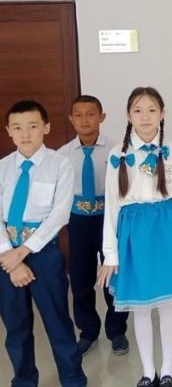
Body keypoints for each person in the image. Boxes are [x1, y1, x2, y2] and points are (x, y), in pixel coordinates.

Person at [98, 87, 172, 387]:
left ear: (163, 113)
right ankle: (148, 372)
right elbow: (111, 205)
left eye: (152, 110)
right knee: (140, 306)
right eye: (138, 110)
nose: (145, 117)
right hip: (132, 234)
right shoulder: (117, 153)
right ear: (128, 115)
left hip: (164, 228)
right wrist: (110, 253)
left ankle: (167, 370)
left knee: (166, 304)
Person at [0, 100, 87, 387]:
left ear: (46, 128)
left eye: (32, 126)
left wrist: (23, 252)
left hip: (43, 254)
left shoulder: (60, 165)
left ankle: (73, 379)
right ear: (9, 131)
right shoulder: (2, 168)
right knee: (16, 326)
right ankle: (24, 380)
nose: (25, 134)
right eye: (17, 128)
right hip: (6, 257)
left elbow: (59, 214)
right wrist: (10, 257)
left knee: (57, 320)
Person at [58, 95, 129, 355]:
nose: (84, 120)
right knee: (81, 277)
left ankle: (117, 330)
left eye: (90, 114)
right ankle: (88, 330)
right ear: (71, 119)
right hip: (78, 221)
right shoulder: (63, 155)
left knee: (114, 273)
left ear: (102, 117)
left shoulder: (117, 150)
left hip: (109, 218)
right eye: (78, 115)